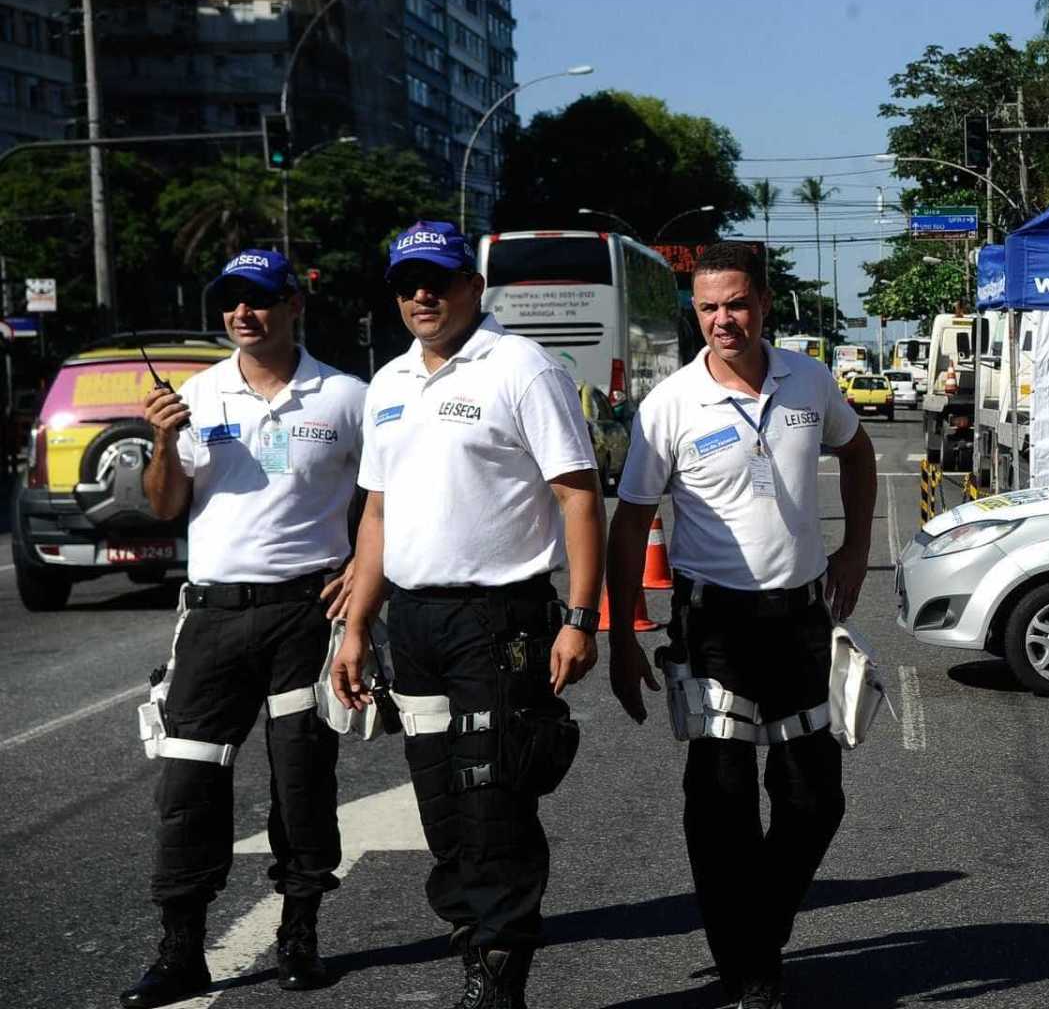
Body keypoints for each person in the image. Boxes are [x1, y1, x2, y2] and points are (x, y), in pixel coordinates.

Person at [331, 221, 603, 1009]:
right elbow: (376, 517)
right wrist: (355, 627)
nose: (423, 294)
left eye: (440, 280)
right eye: (408, 282)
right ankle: (472, 944)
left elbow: (577, 494)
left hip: (500, 621)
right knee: (442, 810)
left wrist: (580, 618)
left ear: (473, 289)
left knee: (492, 803)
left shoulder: (522, 367)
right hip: (411, 624)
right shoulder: (386, 384)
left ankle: (499, 977)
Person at [605, 241, 877, 1009]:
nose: (724, 320)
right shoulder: (671, 404)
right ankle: (750, 968)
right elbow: (631, 524)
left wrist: (855, 549)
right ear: (696, 315)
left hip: (799, 622)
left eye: (737, 303)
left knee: (813, 800)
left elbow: (857, 455)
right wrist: (622, 634)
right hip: (713, 624)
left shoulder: (809, 381)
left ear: (763, 303)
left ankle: (759, 926)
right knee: (722, 802)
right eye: (709, 308)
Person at [125, 249, 365, 1007]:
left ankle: (300, 935)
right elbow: (165, 505)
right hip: (214, 617)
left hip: (306, 613)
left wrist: (363, 576)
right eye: (230, 301)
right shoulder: (196, 394)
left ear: (295, 303)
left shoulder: (346, 396)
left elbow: (386, 500)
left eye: (259, 299)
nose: (242, 313)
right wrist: (164, 440)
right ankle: (180, 950)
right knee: (189, 783)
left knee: (302, 780)